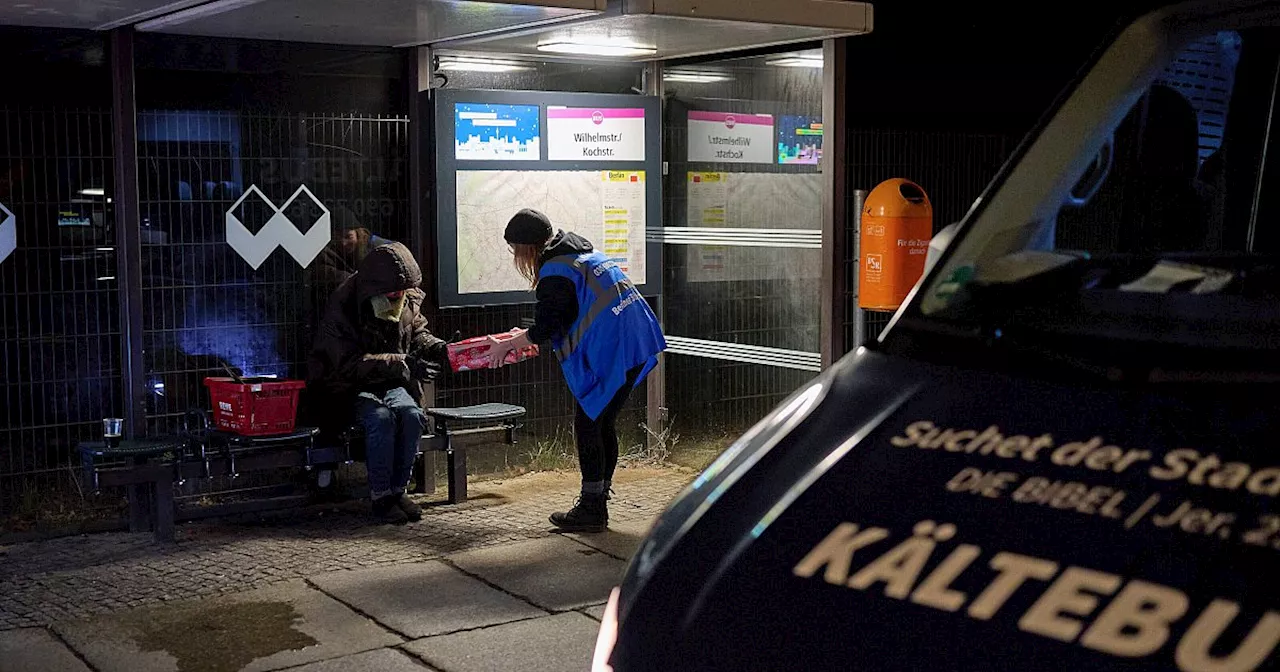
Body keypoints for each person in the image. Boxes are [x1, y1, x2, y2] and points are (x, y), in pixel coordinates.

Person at [492, 209, 667, 533]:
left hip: (616, 350)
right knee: (601, 423)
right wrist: (528, 335)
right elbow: (569, 313)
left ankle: (591, 509)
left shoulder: (555, 272)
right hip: (635, 341)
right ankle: (596, 502)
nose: (516, 256)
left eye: (515, 249)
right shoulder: (580, 252)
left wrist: (512, 342)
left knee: (588, 424)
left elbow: (550, 323)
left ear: (527, 246)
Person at [308, 241, 449, 523]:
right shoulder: (344, 306)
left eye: (404, 290)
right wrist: (403, 364)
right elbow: (346, 365)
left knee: (411, 416)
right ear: (374, 288)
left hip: (390, 379)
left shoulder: (402, 296)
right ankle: (381, 496)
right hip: (347, 387)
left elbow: (417, 330)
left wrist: (436, 347)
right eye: (394, 291)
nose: (400, 296)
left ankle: (398, 491)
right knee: (381, 419)